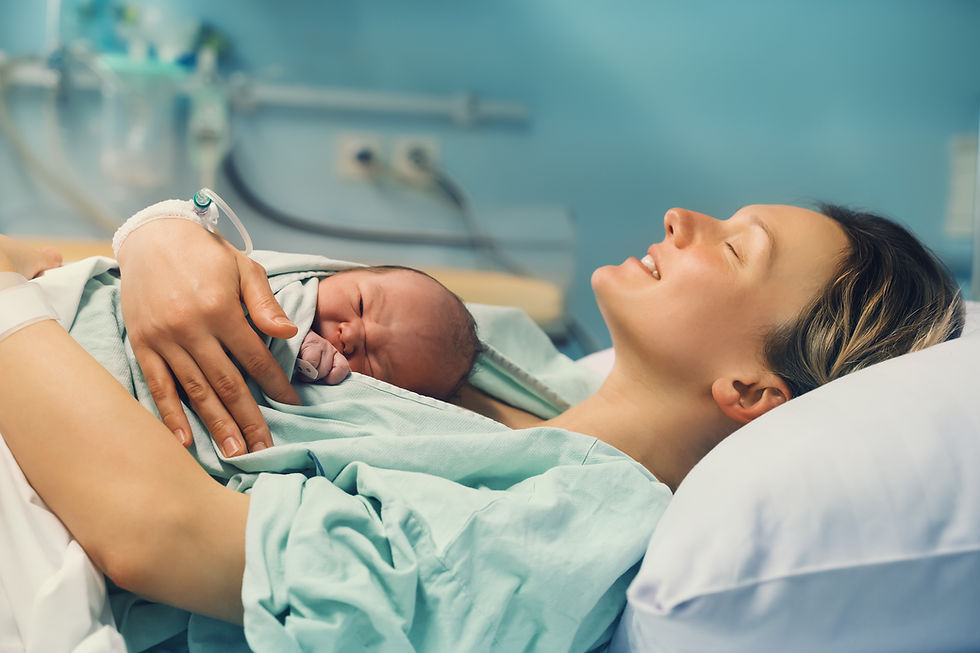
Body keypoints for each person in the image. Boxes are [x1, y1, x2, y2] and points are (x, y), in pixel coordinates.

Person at [0, 203, 964, 651]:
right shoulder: (516, 365)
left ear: (750, 390)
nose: (683, 217)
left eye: (736, 246)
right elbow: (248, 286)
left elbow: (161, 533)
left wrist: (10, 304)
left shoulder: (569, 532)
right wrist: (160, 232)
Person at [294, 264, 481, 402]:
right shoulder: (290, 282)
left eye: (376, 364)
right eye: (360, 305)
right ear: (342, 272)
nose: (350, 336)